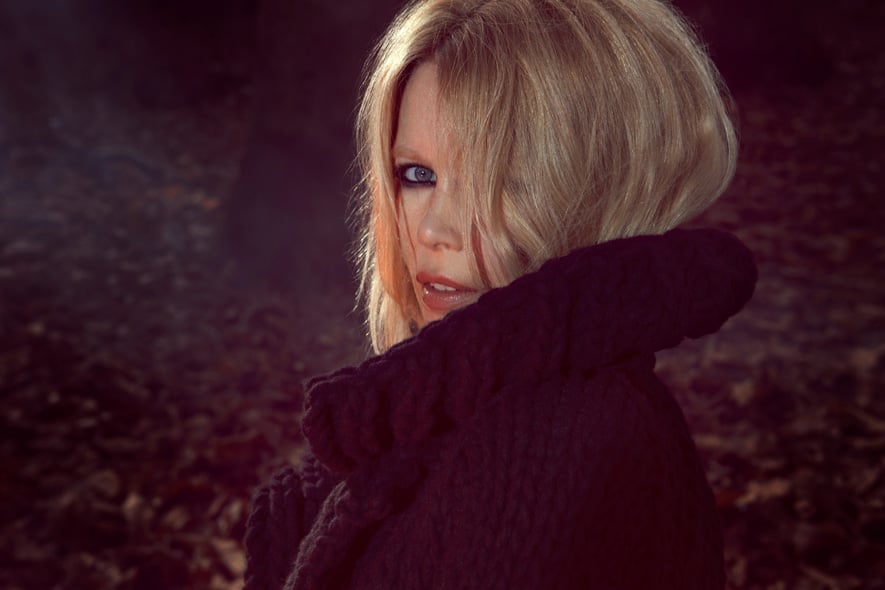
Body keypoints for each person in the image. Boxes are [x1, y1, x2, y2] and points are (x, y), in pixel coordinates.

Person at [243, 0, 757, 588]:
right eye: (417, 175)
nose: (434, 230)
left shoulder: (552, 437)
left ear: (600, 190)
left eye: (502, 182)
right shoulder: (454, 417)